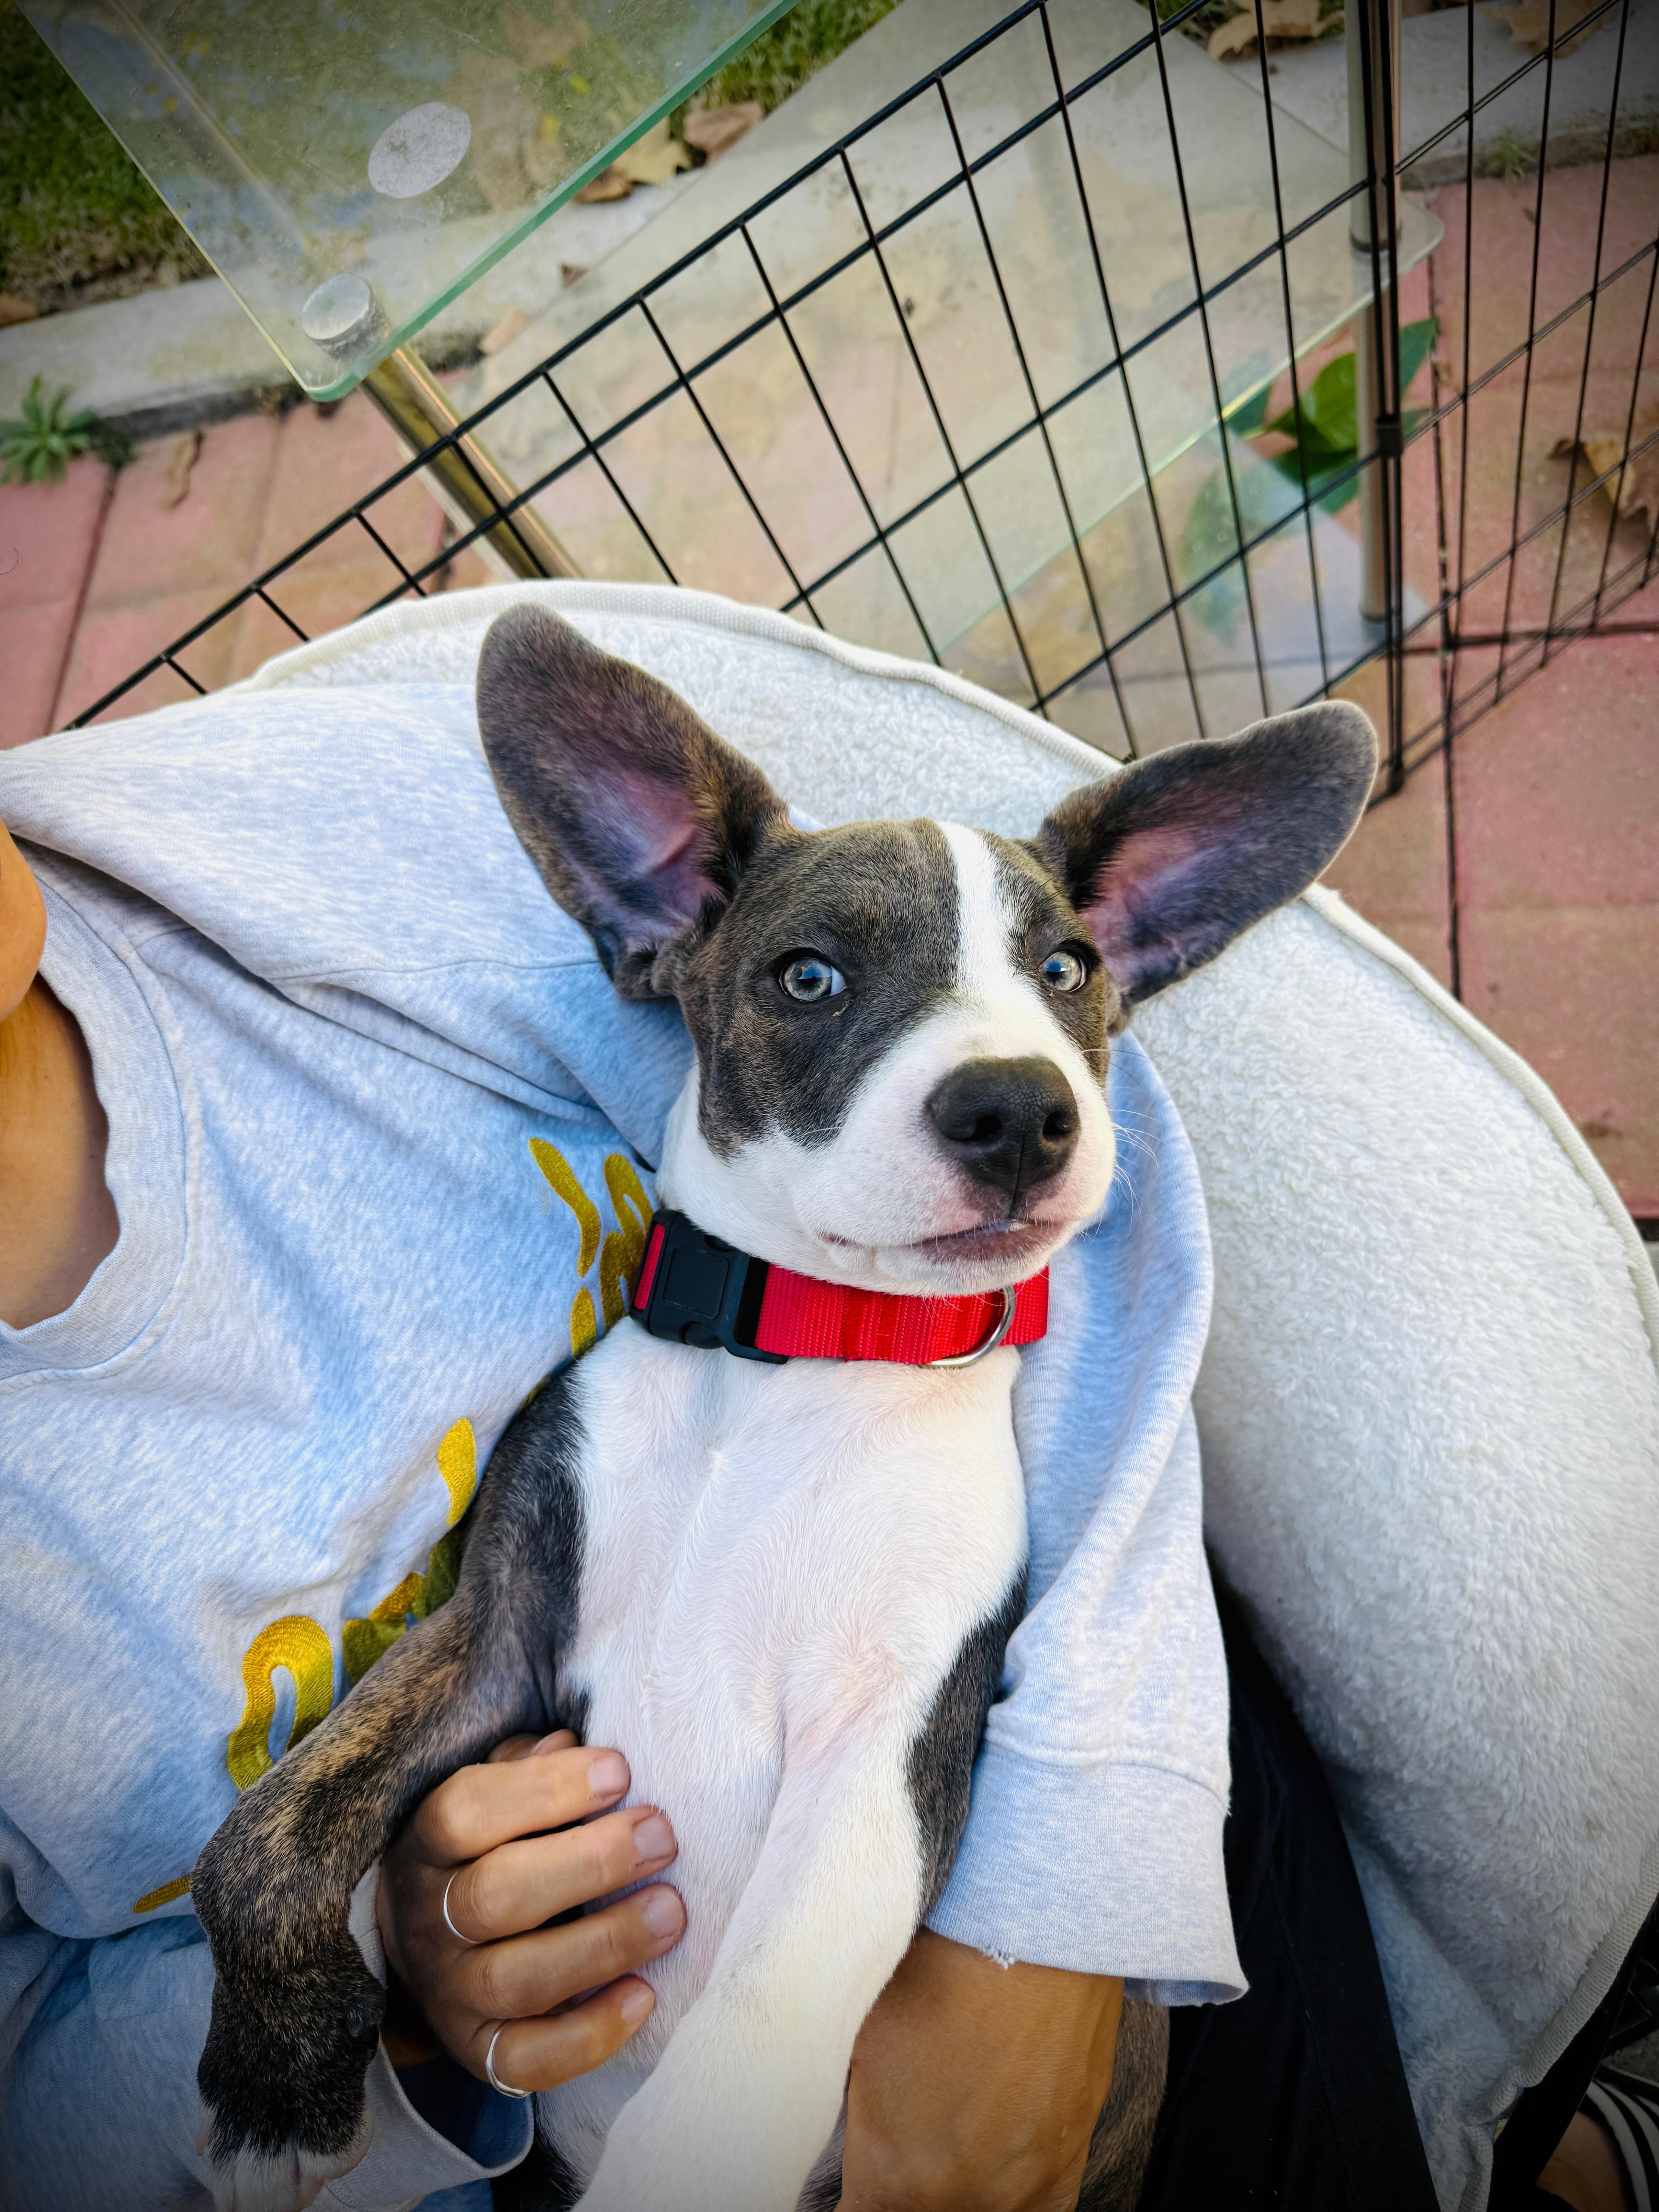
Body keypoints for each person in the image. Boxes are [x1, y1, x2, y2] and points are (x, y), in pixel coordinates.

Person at [0, 659, 1641, 2212]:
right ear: (668, 922)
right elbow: (471, 1662)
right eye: (812, 976)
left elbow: (889, 1787)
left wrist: (1068, 1886)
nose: (1006, 1087)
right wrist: (365, 1965)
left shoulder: (312, 852)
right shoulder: (612, 1402)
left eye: (1062, 970)